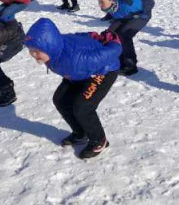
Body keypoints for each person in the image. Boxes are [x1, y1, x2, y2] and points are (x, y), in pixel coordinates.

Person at [25, 18, 122, 159]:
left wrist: (113, 42)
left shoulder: (78, 58)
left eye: (37, 51)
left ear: (49, 46)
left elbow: (111, 53)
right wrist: (91, 35)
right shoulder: (56, 48)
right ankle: (80, 133)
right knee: (61, 100)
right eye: (31, 50)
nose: (34, 55)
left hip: (103, 71)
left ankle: (99, 141)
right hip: (77, 73)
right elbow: (77, 37)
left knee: (83, 107)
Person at [97, 0, 155, 76]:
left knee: (124, 36)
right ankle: (114, 59)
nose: (99, 4)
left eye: (102, 2)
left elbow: (151, 3)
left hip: (141, 16)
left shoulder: (128, 5)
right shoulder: (115, 4)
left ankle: (131, 65)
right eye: (98, 1)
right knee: (110, 34)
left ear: (112, 0)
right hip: (127, 15)